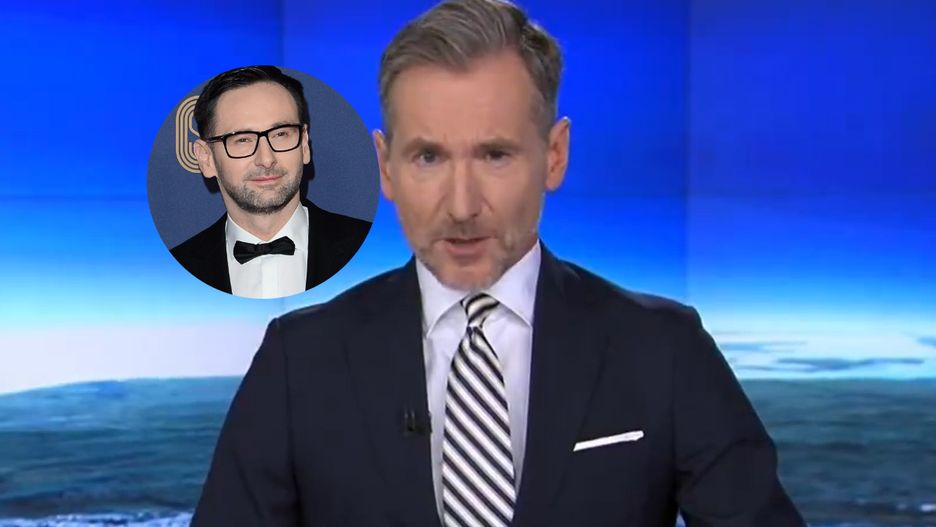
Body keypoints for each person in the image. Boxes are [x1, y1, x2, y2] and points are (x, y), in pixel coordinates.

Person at [192, 1, 805, 525]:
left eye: (495, 155)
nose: (462, 206)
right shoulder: (299, 363)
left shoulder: (664, 350)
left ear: (554, 156)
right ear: (385, 167)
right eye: (429, 157)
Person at [170, 66, 372, 299]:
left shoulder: (369, 247)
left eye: (281, 134)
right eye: (242, 140)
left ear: (304, 144)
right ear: (206, 159)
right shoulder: (172, 271)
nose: (266, 159)